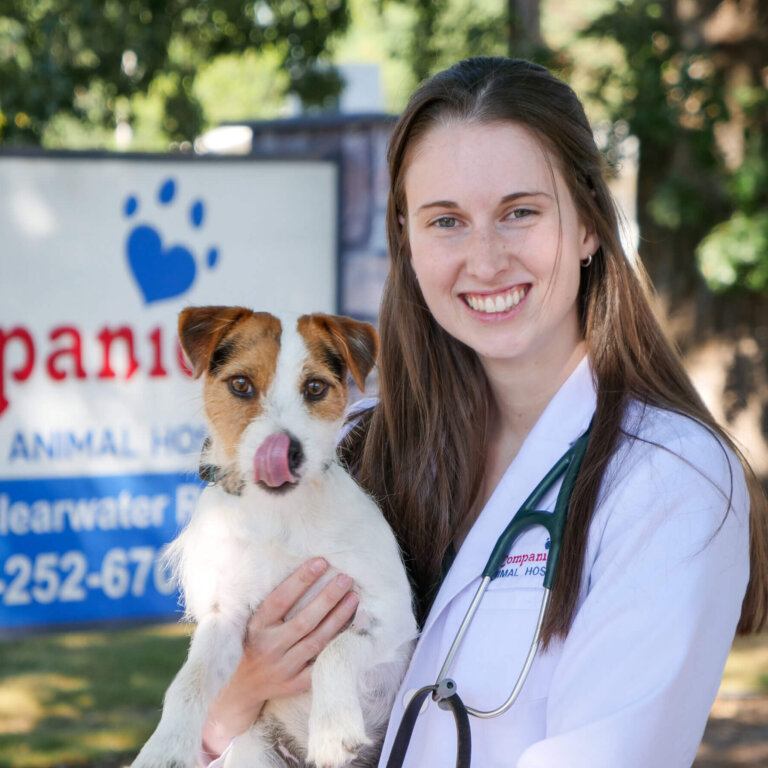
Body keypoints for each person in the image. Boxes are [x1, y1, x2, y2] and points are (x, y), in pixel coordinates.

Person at [199, 57, 768, 767]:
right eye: (447, 221)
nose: (486, 259)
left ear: (590, 225)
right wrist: (237, 701)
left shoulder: (670, 480)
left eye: (520, 212)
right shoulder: (361, 452)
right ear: (406, 241)